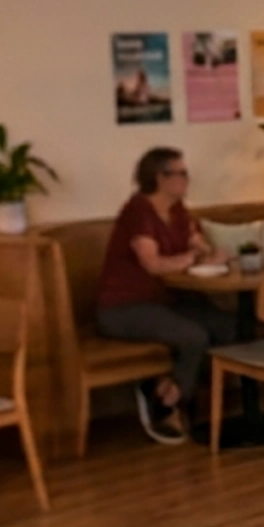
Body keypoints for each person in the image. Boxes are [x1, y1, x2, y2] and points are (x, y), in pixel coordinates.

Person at [92, 147, 234, 444]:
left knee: (224, 325)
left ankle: (168, 387)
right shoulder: (138, 211)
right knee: (193, 336)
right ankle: (167, 405)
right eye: (179, 173)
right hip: (123, 306)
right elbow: (153, 263)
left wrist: (213, 254)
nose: (186, 179)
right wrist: (192, 257)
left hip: (164, 300)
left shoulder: (178, 210)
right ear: (159, 177)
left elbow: (198, 245)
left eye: (185, 172)